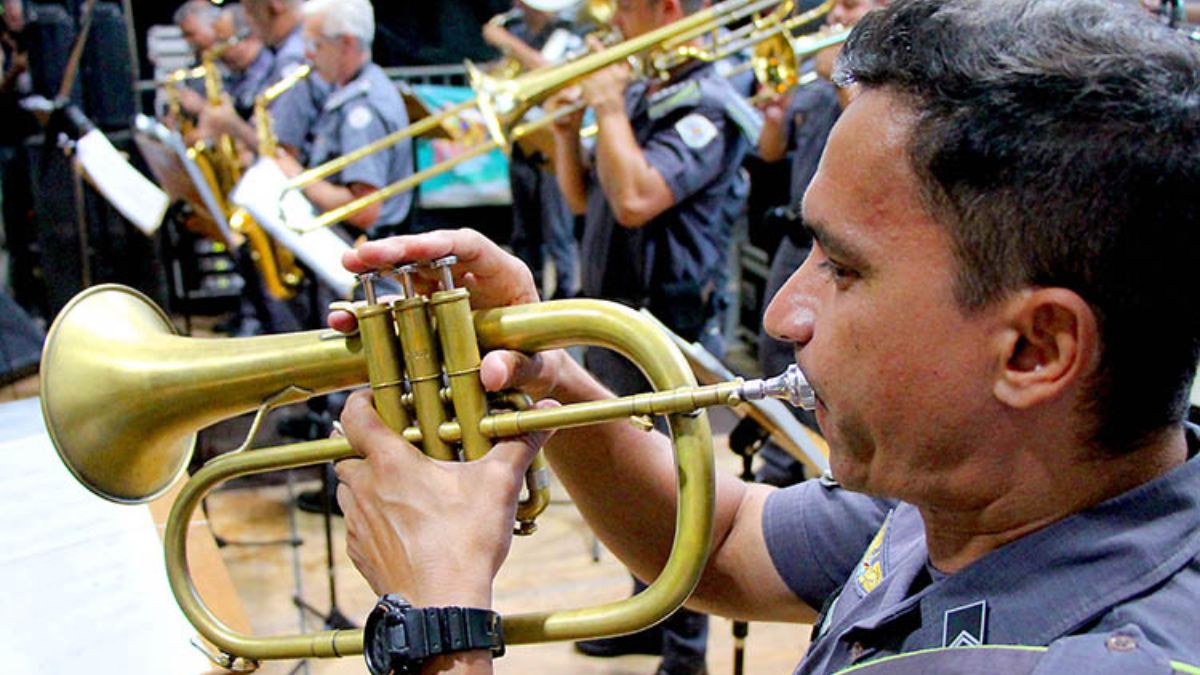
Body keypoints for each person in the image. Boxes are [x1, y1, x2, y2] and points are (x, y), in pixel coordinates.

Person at [332, 1, 1200, 674]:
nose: (784, 312)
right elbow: (716, 541)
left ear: (1033, 351)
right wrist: (548, 380)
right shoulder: (977, 484)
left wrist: (438, 625)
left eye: (843, 268)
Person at [546, 0, 759, 671]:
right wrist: (562, 134)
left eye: (623, 7)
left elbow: (639, 197)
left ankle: (687, 652)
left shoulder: (714, 106)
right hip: (617, 314)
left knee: (679, 490)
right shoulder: (644, 90)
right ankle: (649, 612)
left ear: (666, 8)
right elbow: (588, 200)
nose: (611, 21)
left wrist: (608, 110)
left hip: (672, 322)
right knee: (633, 483)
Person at [750, 0, 885, 487]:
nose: (834, 15)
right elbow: (771, 152)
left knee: (823, 366)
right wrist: (773, 115)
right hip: (795, 236)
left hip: (845, 248)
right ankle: (785, 466)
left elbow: (874, 150)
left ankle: (827, 475)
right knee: (776, 357)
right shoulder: (814, 81)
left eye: (849, 4)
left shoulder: (877, 84)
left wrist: (846, 75)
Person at [271, 0, 413, 239]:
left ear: (347, 43)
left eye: (316, 44)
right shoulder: (355, 87)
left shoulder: (364, 108)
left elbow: (364, 209)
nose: (308, 53)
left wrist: (296, 175)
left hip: (363, 249)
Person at [482, 0, 580, 300]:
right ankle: (527, 296)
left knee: (558, 231)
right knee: (525, 233)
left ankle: (566, 302)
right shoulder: (521, 32)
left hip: (554, 145)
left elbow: (555, 74)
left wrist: (507, 43)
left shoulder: (569, 35)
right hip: (523, 141)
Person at [197, 0, 328, 163]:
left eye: (250, 10)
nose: (247, 19)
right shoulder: (292, 48)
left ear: (275, 5)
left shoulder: (293, 58)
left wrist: (233, 125)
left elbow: (284, 153)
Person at [212, 3, 273, 120]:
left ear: (247, 37)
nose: (217, 50)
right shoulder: (236, 72)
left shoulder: (270, 67)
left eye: (223, 41)